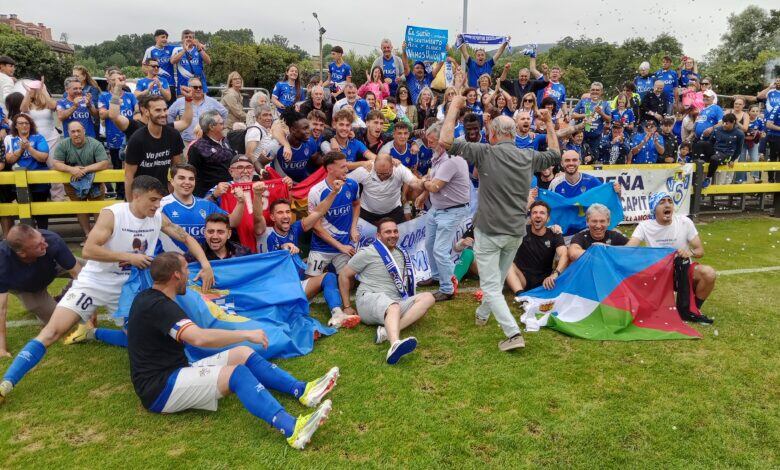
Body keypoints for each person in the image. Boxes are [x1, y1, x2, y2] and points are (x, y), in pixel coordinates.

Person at [0, 176, 215, 403]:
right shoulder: (113, 214)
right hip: (94, 283)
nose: (156, 205)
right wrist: (128, 257)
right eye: (152, 200)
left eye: (159, 201)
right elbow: (89, 250)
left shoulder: (157, 219)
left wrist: (206, 264)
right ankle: (6, 384)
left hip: (128, 289)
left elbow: (185, 236)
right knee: (52, 332)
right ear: (136, 196)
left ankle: (92, 333)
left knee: (144, 341)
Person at [127, 252, 336, 449]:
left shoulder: (148, 297)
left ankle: (302, 390)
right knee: (237, 374)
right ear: (176, 275)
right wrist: (246, 333)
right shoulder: (159, 306)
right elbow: (198, 338)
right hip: (160, 389)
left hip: (174, 371)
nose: (189, 276)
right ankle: (293, 429)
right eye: (186, 270)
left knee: (242, 353)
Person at [441, 95, 561, 351]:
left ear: (493, 133)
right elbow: (554, 154)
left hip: (490, 231)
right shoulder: (527, 156)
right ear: (514, 132)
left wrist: (453, 107)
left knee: (490, 285)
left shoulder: (484, 152)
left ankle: (512, 333)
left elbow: (445, 141)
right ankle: (483, 316)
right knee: (495, 281)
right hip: (515, 232)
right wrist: (549, 123)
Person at [338, 218, 435, 364]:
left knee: (428, 297)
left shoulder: (401, 253)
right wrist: (346, 306)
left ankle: (385, 333)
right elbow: (344, 275)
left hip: (394, 302)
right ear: (378, 236)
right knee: (393, 306)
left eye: (395, 231)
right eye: (388, 232)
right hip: (369, 299)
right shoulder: (368, 252)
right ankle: (394, 344)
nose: (393, 235)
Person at [262, 194, 360, 328]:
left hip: (297, 285)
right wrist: (284, 247)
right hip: (280, 291)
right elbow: (275, 254)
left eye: (288, 212)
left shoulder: (294, 228)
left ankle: (337, 314)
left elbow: (319, 212)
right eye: (280, 213)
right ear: (272, 217)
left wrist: (335, 192)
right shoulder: (266, 234)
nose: (285, 216)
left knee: (329, 277)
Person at [626, 192, 716, 324]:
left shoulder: (685, 222)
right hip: (658, 274)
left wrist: (689, 252)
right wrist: (605, 248)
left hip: (682, 272)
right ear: (654, 209)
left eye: (670, 201)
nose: (667, 204)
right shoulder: (644, 226)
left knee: (709, 273)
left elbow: (700, 250)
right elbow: (629, 249)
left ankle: (692, 309)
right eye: (662, 202)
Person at [0, 225, 82, 357]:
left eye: (42, 239)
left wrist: (90, 306)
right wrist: (1, 348)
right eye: (38, 245)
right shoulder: (2, 260)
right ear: (22, 253)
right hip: (27, 288)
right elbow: (1, 309)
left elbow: (79, 274)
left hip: (52, 267)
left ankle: (63, 298)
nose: (45, 244)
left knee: (91, 270)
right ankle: (44, 307)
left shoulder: (51, 240)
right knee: (65, 323)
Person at [414, 121, 472, 301]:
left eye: (432, 141)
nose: (429, 144)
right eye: (428, 140)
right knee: (430, 244)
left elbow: (435, 186)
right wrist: (424, 194)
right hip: (438, 209)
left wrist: (423, 185)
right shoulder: (438, 155)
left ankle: (447, 289)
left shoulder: (451, 160)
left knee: (440, 249)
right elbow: (432, 178)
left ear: (444, 141)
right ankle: (438, 276)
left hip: (452, 211)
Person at [158, 163, 245, 253]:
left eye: (191, 179)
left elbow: (232, 222)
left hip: (204, 263)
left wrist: (241, 202)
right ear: (172, 181)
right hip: (174, 263)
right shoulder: (160, 205)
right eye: (181, 178)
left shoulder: (206, 204)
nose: (187, 182)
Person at [307, 151, 361, 277]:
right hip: (320, 247)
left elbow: (356, 204)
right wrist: (340, 246)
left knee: (348, 280)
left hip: (345, 245)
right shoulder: (316, 192)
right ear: (330, 169)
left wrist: (353, 228)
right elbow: (316, 227)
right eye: (342, 167)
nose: (347, 170)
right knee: (309, 281)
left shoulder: (352, 184)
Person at [52, 121, 110, 237]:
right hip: (72, 184)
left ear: (84, 131)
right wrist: (71, 169)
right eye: (73, 131)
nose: (76, 134)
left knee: (97, 208)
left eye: (78, 131)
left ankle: (98, 237)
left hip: (94, 183)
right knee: (80, 209)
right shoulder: (63, 145)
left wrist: (85, 169)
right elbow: (56, 163)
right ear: (68, 133)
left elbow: (104, 163)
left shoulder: (95, 143)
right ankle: (88, 235)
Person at [125, 96, 185, 198]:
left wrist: (174, 191)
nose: (163, 114)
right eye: (158, 110)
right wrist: (130, 205)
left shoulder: (173, 135)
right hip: (141, 196)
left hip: (163, 194)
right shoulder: (137, 139)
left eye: (165, 109)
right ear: (147, 112)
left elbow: (177, 168)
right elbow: (129, 176)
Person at [206, 155, 268, 253]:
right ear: (231, 171)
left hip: (260, 240)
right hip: (232, 245)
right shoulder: (222, 188)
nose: (245, 171)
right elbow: (202, 207)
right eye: (240, 167)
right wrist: (214, 195)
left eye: (249, 167)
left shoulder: (262, 186)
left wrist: (285, 184)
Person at [505, 201, 568, 296]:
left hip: (544, 282)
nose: (538, 215)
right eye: (534, 213)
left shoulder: (554, 234)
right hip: (521, 279)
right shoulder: (521, 231)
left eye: (542, 213)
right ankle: (522, 297)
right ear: (530, 217)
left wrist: (555, 274)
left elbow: (564, 255)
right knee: (507, 263)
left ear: (548, 218)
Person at [5, 113, 50, 229]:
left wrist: (29, 148)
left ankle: (43, 235)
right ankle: (28, 238)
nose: (24, 125)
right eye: (21, 123)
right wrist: (21, 149)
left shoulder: (38, 137)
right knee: (24, 210)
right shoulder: (10, 139)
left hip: (39, 180)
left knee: (41, 211)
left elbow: (43, 157)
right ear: (15, 126)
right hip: (20, 181)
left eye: (27, 123)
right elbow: (9, 160)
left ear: (30, 125)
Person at [349, 153, 421, 226]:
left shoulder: (399, 168)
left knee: (400, 233)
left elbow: (415, 182)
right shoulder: (366, 169)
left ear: (392, 166)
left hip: (393, 211)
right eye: (379, 173)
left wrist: (424, 183)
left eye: (385, 173)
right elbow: (346, 182)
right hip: (366, 211)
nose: (382, 176)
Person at [99, 71, 138, 199]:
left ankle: (132, 194)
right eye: (114, 79)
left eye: (119, 78)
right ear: (109, 81)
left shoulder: (130, 96)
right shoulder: (104, 96)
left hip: (130, 138)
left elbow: (137, 111)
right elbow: (102, 114)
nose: (117, 81)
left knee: (131, 167)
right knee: (117, 167)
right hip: (113, 137)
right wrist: (115, 105)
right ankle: (120, 195)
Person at [167, 77, 227, 146]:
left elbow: (224, 113)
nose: (198, 89)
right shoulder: (180, 102)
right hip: (187, 143)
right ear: (189, 88)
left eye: (200, 87)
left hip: (207, 143)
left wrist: (219, 127)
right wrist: (175, 131)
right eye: (195, 87)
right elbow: (169, 114)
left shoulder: (211, 101)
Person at [187, 111, 236, 197]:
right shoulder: (197, 148)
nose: (224, 127)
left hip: (231, 191)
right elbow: (193, 175)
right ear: (211, 127)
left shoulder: (227, 141)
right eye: (221, 124)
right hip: (210, 195)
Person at [701, 113, 744, 188]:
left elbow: (739, 149)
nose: (724, 125)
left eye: (727, 123)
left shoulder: (739, 134)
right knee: (701, 144)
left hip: (727, 154)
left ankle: (708, 178)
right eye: (723, 122)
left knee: (714, 159)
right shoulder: (717, 129)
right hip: (715, 151)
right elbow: (711, 142)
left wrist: (733, 160)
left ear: (733, 122)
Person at [184, 213, 250, 261]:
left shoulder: (243, 253)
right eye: (210, 232)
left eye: (220, 232)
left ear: (229, 234)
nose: (215, 236)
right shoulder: (192, 256)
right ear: (204, 233)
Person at [572, 82, 612, 152]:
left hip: (596, 137)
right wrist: (586, 115)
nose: (595, 92)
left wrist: (601, 113)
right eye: (593, 89)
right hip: (581, 136)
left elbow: (609, 119)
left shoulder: (605, 104)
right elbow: (573, 115)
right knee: (581, 157)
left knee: (594, 158)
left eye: (597, 90)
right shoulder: (583, 101)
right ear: (590, 90)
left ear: (601, 92)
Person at [171, 29, 211, 94]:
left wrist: (200, 49)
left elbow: (208, 61)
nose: (188, 39)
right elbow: (172, 61)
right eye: (186, 37)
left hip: (199, 85)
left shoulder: (198, 49)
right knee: (183, 103)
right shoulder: (177, 49)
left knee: (201, 103)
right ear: (182, 39)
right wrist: (184, 50)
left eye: (190, 37)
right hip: (183, 85)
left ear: (194, 39)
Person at [142, 29, 177, 96]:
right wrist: (154, 77)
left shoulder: (170, 48)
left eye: (166, 38)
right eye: (163, 37)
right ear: (156, 38)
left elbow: (183, 47)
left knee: (170, 106)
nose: (165, 39)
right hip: (156, 85)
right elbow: (144, 68)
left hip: (170, 84)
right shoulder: (150, 50)